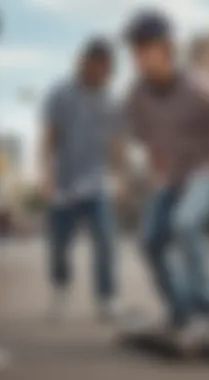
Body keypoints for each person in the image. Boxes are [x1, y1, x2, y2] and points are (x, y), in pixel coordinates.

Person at [123, 11, 209, 353]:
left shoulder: (200, 86)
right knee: (149, 241)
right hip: (175, 178)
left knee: (186, 223)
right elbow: (148, 142)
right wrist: (161, 179)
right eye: (136, 50)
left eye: (147, 49)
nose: (140, 57)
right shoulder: (137, 97)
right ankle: (181, 313)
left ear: (167, 49)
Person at [41, 38, 119, 321]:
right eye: (99, 66)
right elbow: (49, 137)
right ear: (86, 63)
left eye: (108, 68)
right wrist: (46, 174)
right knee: (60, 245)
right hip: (64, 182)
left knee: (105, 240)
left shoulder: (111, 100)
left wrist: (118, 177)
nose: (104, 73)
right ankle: (60, 290)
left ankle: (106, 299)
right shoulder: (60, 94)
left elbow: (116, 142)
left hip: (97, 182)